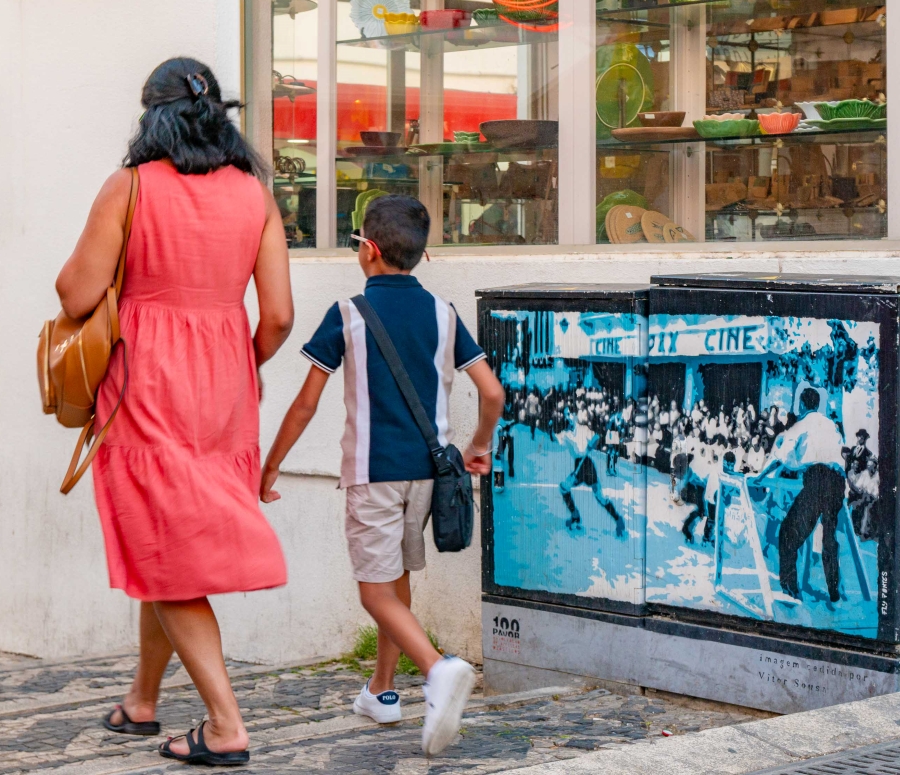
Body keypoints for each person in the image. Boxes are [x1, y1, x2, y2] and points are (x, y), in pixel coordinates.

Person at [54, 59, 292, 765]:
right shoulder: (257, 194)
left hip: (145, 386)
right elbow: (276, 317)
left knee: (165, 549)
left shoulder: (129, 187)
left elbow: (75, 295)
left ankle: (224, 725)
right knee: (166, 544)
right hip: (225, 390)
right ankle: (143, 699)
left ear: (150, 117)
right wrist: (236, 363)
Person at [259, 196, 505, 756]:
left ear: (368, 250)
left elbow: (304, 405)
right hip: (428, 476)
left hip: (373, 474)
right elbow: (491, 392)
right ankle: (382, 691)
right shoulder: (443, 312)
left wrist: (271, 462)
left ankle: (438, 669)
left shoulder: (347, 314)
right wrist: (478, 446)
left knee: (375, 592)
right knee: (396, 581)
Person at [750, 388, 846, 602]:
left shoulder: (802, 425)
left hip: (818, 480)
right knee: (829, 538)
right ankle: (834, 590)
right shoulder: (831, 425)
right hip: (838, 482)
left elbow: (779, 457)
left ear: (802, 405)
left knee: (787, 533)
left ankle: (790, 587)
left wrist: (760, 476)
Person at [558, 414, 625, 536]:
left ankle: (618, 520)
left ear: (574, 417)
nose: (568, 418)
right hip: (578, 465)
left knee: (599, 496)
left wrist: (591, 445)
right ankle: (575, 516)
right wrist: (552, 430)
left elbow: (596, 437)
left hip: (587, 465)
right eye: (565, 415)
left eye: (569, 415)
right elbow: (556, 439)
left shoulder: (583, 429)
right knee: (564, 488)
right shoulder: (565, 434)